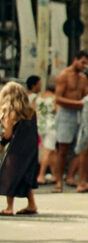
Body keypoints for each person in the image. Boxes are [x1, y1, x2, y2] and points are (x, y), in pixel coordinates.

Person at [53, 50, 88, 193]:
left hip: (79, 114)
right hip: (66, 114)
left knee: (81, 147)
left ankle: (79, 181)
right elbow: (58, 98)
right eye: (82, 62)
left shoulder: (83, 78)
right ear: (75, 59)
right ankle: (58, 182)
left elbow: (86, 94)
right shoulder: (64, 75)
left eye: (86, 63)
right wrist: (78, 104)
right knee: (63, 149)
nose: (84, 66)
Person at [1, 81, 40, 215]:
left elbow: (8, 133)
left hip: (16, 149)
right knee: (25, 175)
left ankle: (9, 207)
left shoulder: (10, 112)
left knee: (9, 176)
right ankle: (31, 204)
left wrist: (2, 143)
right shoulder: (31, 111)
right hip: (30, 148)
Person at [34, 80, 56, 186]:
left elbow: (34, 111)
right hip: (51, 125)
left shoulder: (39, 97)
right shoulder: (54, 98)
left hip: (40, 125)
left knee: (50, 150)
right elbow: (57, 111)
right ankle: (41, 175)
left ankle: (54, 174)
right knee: (47, 151)